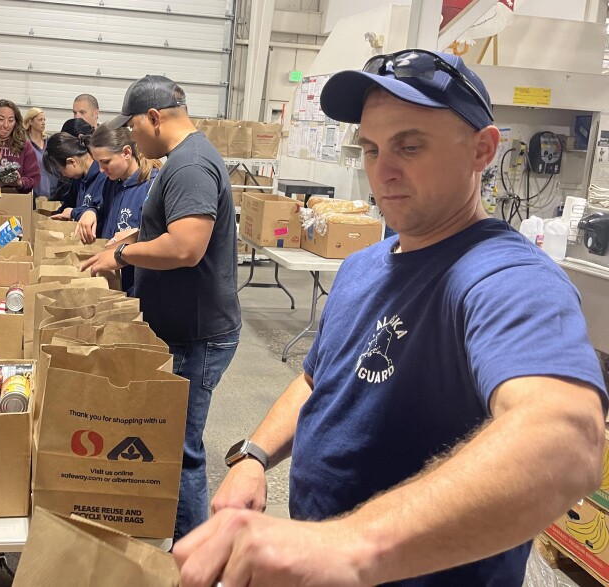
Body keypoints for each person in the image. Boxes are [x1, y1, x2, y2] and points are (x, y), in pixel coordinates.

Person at [172, 51, 608, 586]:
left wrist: (351, 547)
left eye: (410, 145)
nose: (384, 171)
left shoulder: (505, 276)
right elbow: (318, 378)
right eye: (372, 149)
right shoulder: (362, 266)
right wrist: (254, 456)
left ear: (483, 149)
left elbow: (567, 438)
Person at [81, 76, 241, 542]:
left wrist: (124, 255)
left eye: (133, 128)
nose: (132, 139)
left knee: (180, 450)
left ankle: (193, 557)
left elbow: (187, 247)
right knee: (172, 442)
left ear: (154, 118)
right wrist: (137, 237)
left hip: (197, 334)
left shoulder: (190, 165)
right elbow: (175, 230)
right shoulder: (183, 160)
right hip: (185, 327)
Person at [83, 125, 161, 291]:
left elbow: (163, 237)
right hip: (113, 279)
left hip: (139, 283)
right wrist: (91, 211)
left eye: (105, 162)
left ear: (126, 153)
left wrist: (135, 235)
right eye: (98, 163)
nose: (101, 170)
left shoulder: (152, 186)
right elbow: (100, 206)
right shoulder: (112, 182)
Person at [43, 122, 107, 235]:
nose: (63, 175)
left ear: (71, 162)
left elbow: (102, 212)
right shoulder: (79, 179)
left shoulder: (104, 177)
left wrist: (73, 213)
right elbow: (68, 203)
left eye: (61, 170)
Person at [22, 107, 57, 197]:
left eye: (44, 119)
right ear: (30, 122)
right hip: (33, 191)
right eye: (40, 120)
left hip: (52, 190)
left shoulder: (49, 142)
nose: (43, 122)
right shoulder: (25, 144)